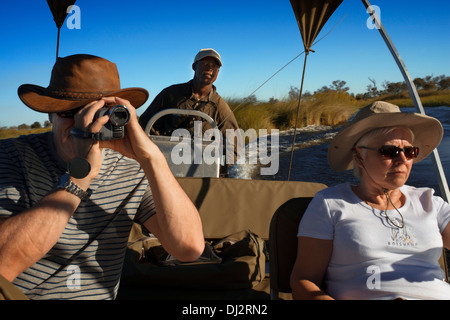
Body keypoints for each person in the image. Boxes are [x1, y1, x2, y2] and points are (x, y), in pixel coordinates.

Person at [0, 54, 205, 300]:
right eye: (70, 112)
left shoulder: (132, 168)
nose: (84, 122)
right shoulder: (12, 156)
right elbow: (3, 266)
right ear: (50, 115)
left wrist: (153, 159)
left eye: (98, 112)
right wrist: (80, 176)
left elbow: (188, 248)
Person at [290, 101, 450, 300]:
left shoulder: (430, 202)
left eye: (409, 152)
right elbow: (304, 280)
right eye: (389, 151)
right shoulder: (331, 203)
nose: (402, 160)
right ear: (359, 157)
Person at [138, 48, 240, 165]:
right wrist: (157, 146)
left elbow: (233, 145)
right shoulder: (170, 94)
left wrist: (226, 172)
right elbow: (145, 122)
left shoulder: (220, 106)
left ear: (218, 71)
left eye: (214, 65)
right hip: (165, 161)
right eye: (204, 63)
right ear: (194, 66)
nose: (209, 68)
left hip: (201, 166)